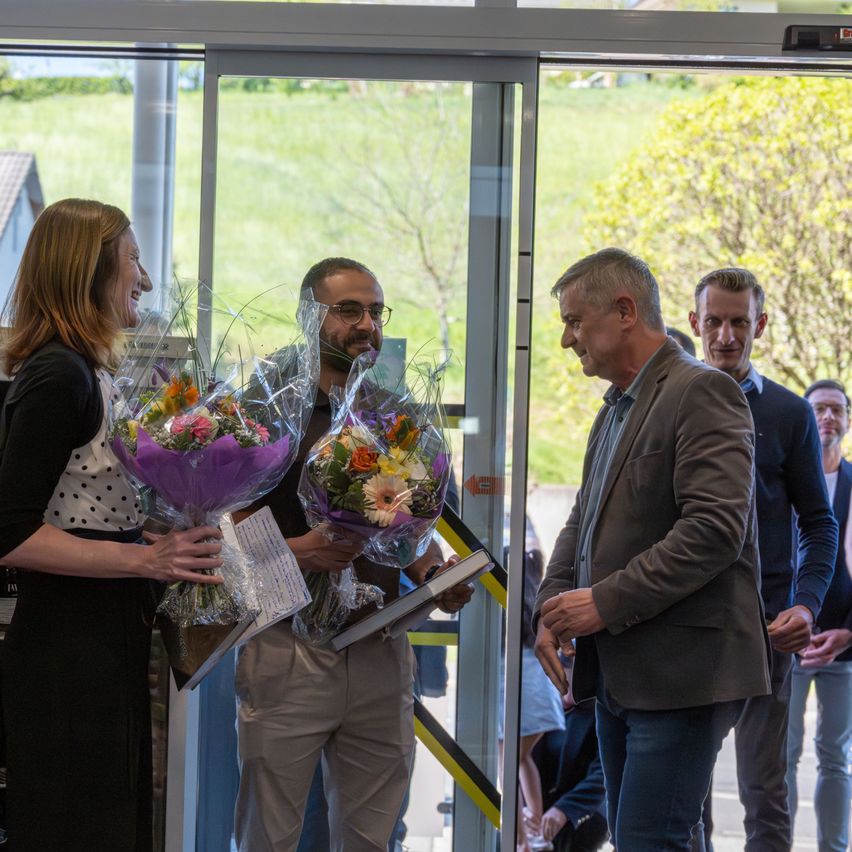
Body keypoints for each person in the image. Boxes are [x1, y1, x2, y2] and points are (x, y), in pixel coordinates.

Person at [0, 198, 223, 852]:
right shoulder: (56, 376)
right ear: (90, 273)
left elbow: (77, 511)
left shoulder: (85, 371)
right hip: (64, 656)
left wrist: (154, 541)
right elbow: (10, 532)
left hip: (101, 643)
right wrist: (144, 562)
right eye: (133, 260)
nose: (147, 280)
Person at [533, 247, 770, 851]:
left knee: (648, 840)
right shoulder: (615, 408)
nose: (566, 340)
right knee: (653, 838)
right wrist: (551, 605)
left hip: (682, 675)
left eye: (574, 321)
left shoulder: (703, 392)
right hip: (622, 674)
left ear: (624, 311)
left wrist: (603, 603)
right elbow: (582, 521)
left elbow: (715, 530)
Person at [234, 256, 473, 852]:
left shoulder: (392, 415)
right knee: (271, 834)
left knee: (373, 836)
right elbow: (222, 529)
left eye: (375, 310)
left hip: (379, 647)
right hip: (286, 649)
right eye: (348, 311)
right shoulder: (264, 408)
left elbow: (409, 524)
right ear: (310, 316)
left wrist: (432, 570)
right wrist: (300, 552)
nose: (367, 323)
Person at [688, 267, 837, 851]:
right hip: (684, 635)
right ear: (696, 322)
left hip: (767, 637)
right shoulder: (667, 404)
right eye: (715, 321)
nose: (726, 335)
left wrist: (806, 602)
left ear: (761, 325)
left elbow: (820, 526)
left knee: (766, 801)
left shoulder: (789, 414)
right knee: (685, 801)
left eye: (739, 322)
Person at [786, 379, 852, 852]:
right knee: (779, 756)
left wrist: (849, 633)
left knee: (835, 757)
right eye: (818, 409)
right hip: (786, 639)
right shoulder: (784, 479)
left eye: (836, 409)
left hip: (844, 646)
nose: (827, 417)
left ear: (847, 421)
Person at [531, 665, 608, 852]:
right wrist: (527, 807)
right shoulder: (539, 706)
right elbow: (519, 760)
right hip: (539, 808)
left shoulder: (601, 712)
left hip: (584, 811)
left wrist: (564, 809)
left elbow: (604, 773)